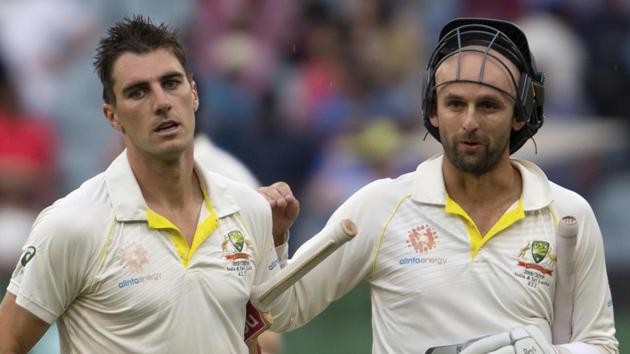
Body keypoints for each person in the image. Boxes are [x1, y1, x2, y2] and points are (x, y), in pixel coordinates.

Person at [259, 18, 619, 353]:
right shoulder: (381, 206)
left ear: (520, 115)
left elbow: (600, 344)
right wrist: (274, 237)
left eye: (489, 106)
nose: (469, 122)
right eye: (455, 104)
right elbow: (284, 311)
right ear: (433, 111)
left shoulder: (568, 213)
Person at [0, 16, 295, 353]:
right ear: (112, 116)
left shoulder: (248, 208)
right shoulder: (72, 224)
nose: (161, 102)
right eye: (138, 92)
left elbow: (258, 340)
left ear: (194, 94)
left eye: (171, 83)